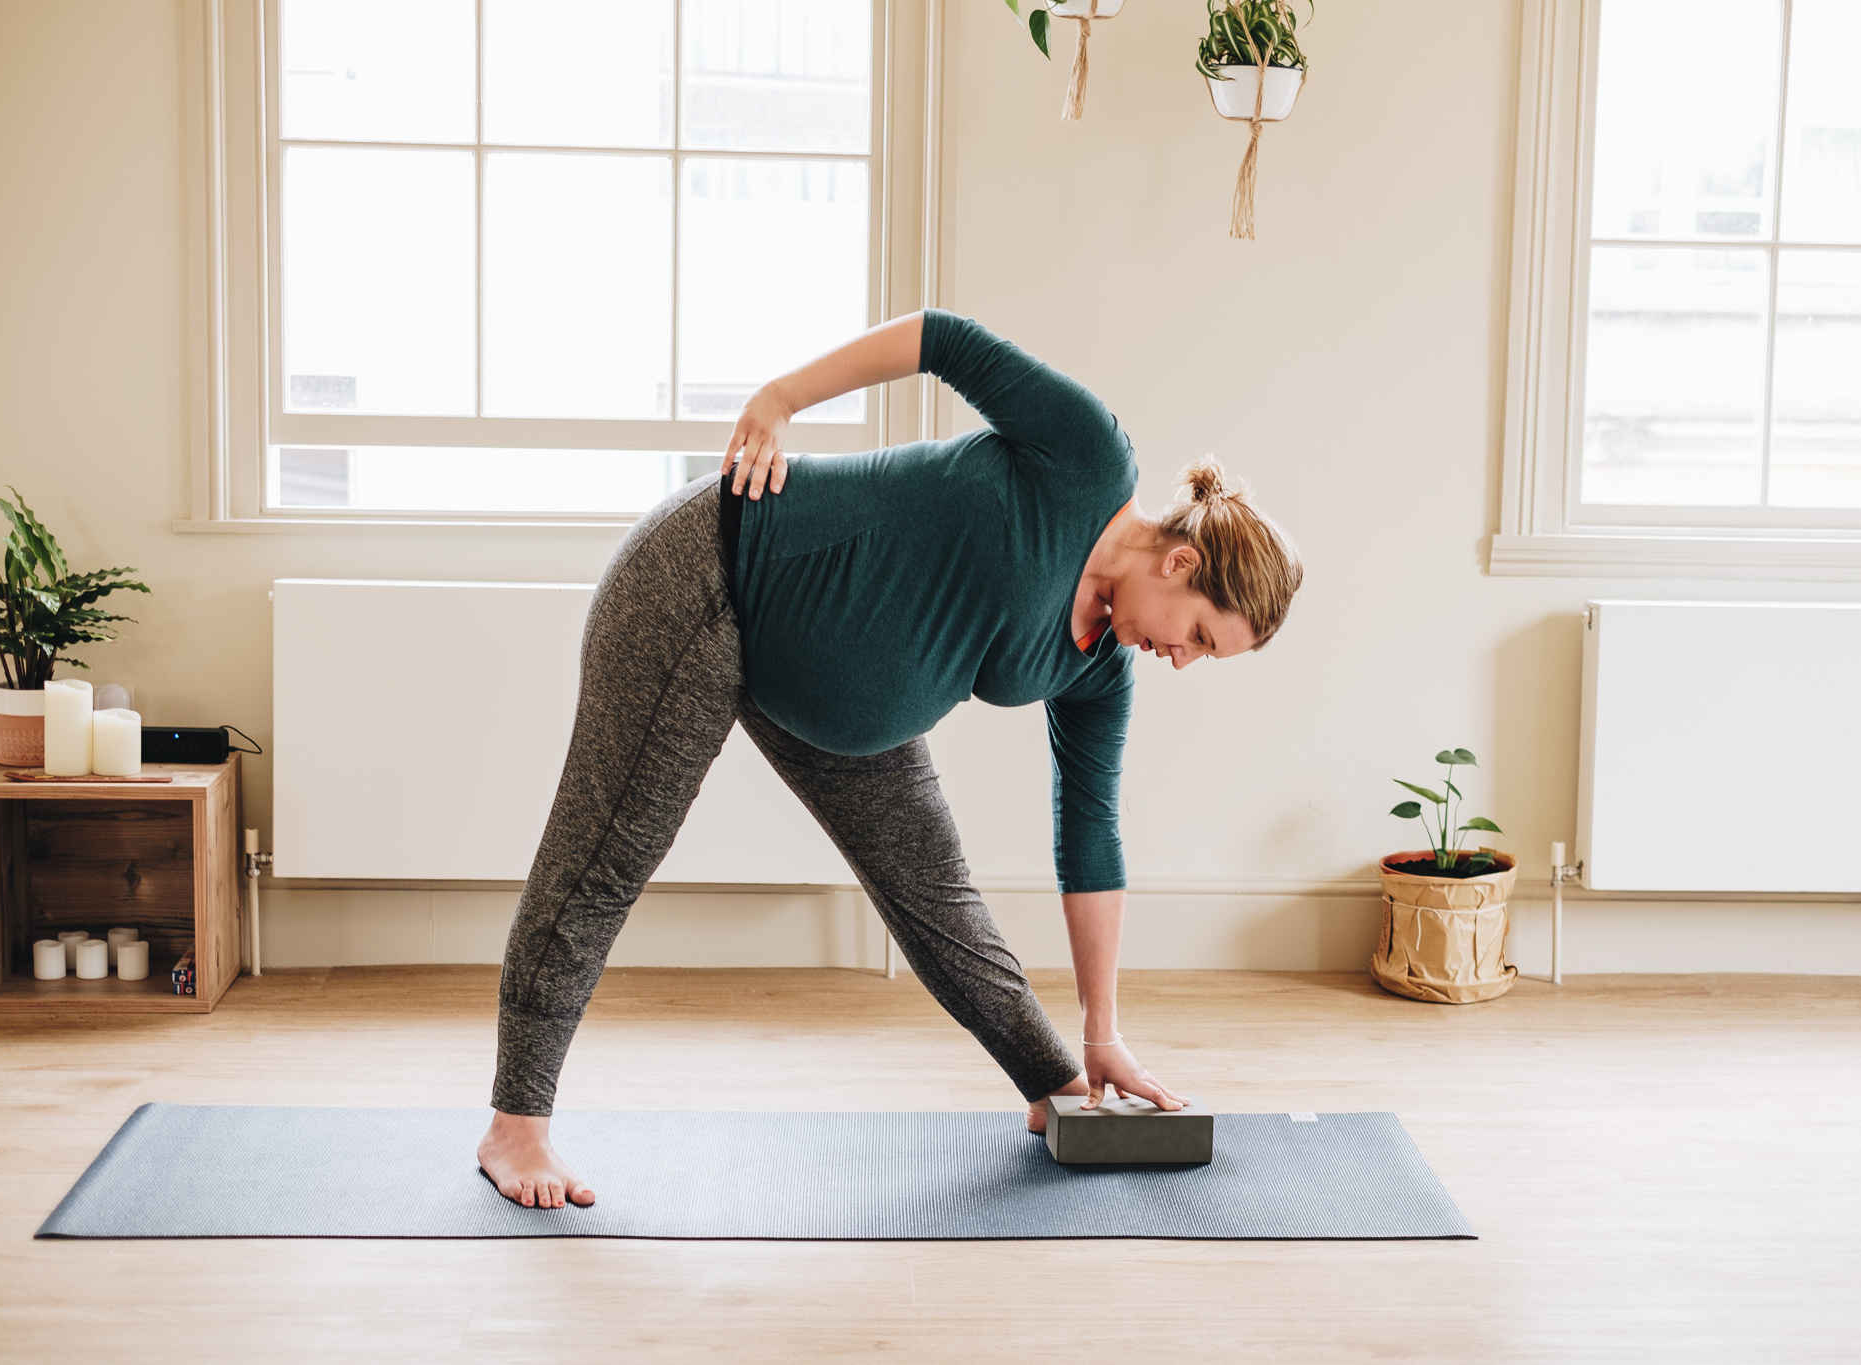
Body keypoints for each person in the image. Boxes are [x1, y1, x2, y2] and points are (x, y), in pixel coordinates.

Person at [477, 309, 1304, 1208]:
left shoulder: (1099, 667)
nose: (1181, 659)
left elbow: (1090, 836)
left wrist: (1100, 1033)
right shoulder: (1087, 457)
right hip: (712, 578)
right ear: (1181, 562)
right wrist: (779, 397)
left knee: (937, 896)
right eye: (1199, 639)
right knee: (608, 851)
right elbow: (944, 339)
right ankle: (514, 1127)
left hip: (833, 708)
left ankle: (1056, 1087)